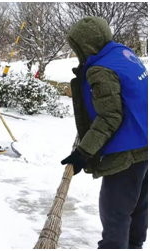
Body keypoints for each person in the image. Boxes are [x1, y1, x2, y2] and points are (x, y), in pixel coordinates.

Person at [60, 16, 148, 248]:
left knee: (116, 214)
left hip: (124, 151)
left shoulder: (100, 69)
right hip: (144, 142)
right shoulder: (124, 54)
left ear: (85, 45)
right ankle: (135, 246)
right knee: (137, 206)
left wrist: (83, 152)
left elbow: (110, 116)